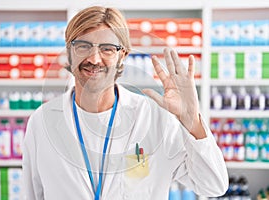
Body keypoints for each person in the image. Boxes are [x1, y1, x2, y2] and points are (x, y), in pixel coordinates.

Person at [22, 6, 228, 200]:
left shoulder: (155, 118)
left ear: (123, 55)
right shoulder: (42, 121)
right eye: (83, 46)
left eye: (107, 49)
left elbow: (213, 185)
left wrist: (192, 121)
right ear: (69, 52)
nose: (94, 59)